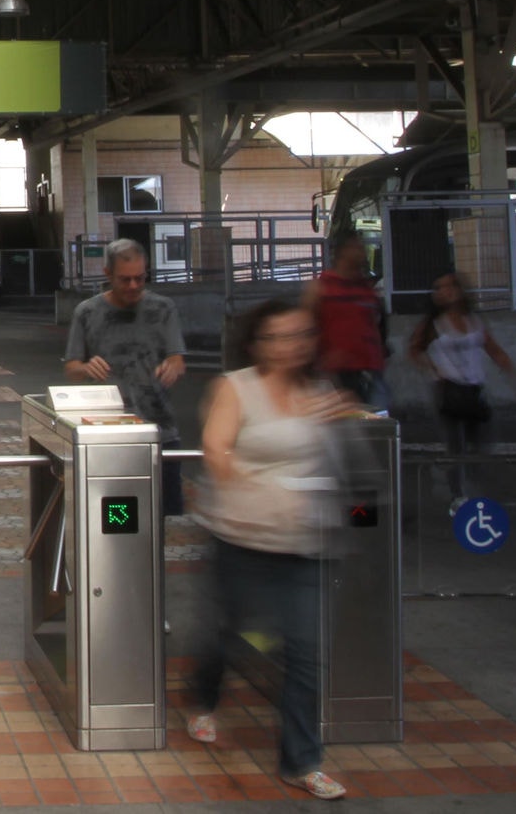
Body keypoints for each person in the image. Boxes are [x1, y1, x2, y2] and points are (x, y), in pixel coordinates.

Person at [188, 298, 356, 800]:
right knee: (231, 631)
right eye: (276, 337)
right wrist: (252, 488)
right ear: (257, 342)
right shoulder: (235, 388)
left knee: (306, 651)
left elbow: (336, 463)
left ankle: (302, 761)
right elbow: (216, 449)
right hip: (242, 534)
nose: (288, 346)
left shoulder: (321, 393)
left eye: (299, 336)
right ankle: (204, 697)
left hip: (303, 542)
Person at [408, 271, 516, 512]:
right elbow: (415, 349)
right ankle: (457, 495)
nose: (444, 292)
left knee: (481, 443)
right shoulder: (434, 324)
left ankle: (455, 476)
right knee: (455, 445)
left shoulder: (474, 321)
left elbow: (493, 349)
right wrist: (432, 369)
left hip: (473, 389)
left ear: (460, 290)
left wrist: (511, 370)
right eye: (439, 288)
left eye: (449, 286)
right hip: (448, 390)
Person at [63, 238, 185, 431]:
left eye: (140, 278)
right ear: (108, 275)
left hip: (159, 427)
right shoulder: (87, 312)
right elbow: (72, 368)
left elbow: (177, 360)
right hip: (105, 427)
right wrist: (86, 369)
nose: (133, 286)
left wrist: (172, 367)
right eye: (125, 279)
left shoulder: (163, 308)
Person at [304, 232, 390, 412]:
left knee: (376, 422)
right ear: (343, 252)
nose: (362, 252)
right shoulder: (322, 286)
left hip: (370, 367)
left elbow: (377, 322)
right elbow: (307, 324)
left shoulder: (366, 287)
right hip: (336, 369)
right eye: (357, 247)